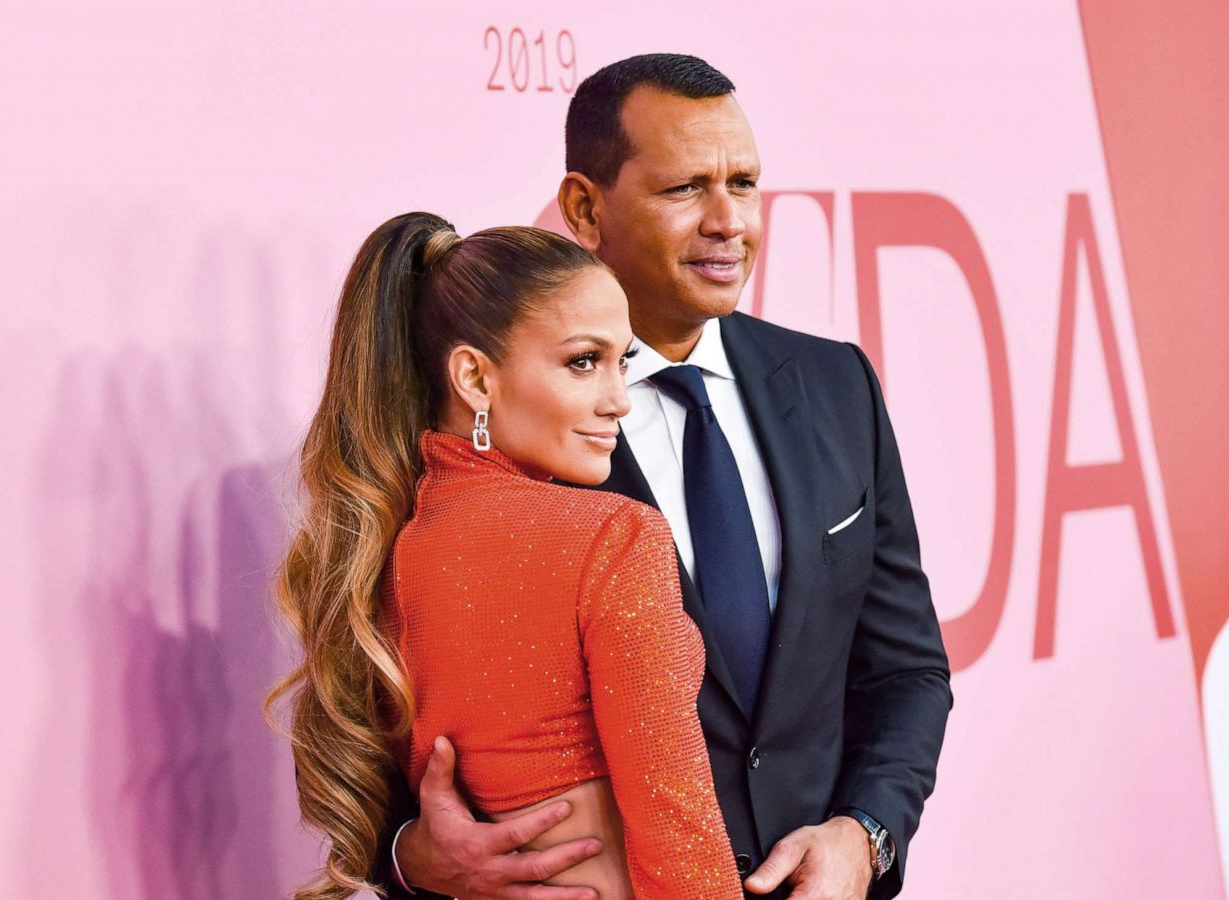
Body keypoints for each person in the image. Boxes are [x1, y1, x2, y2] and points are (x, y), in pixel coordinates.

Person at [381, 54, 953, 900]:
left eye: (746, 184)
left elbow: (907, 671)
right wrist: (414, 858)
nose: (729, 222)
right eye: (685, 188)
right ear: (584, 205)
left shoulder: (838, 387)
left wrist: (863, 836)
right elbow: (398, 710)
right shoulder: (500, 432)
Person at [268, 212, 747, 899]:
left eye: (623, 362)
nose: (620, 401)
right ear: (474, 378)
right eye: (583, 362)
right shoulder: (616, 536)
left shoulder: (389, 551)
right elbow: (676, 820)